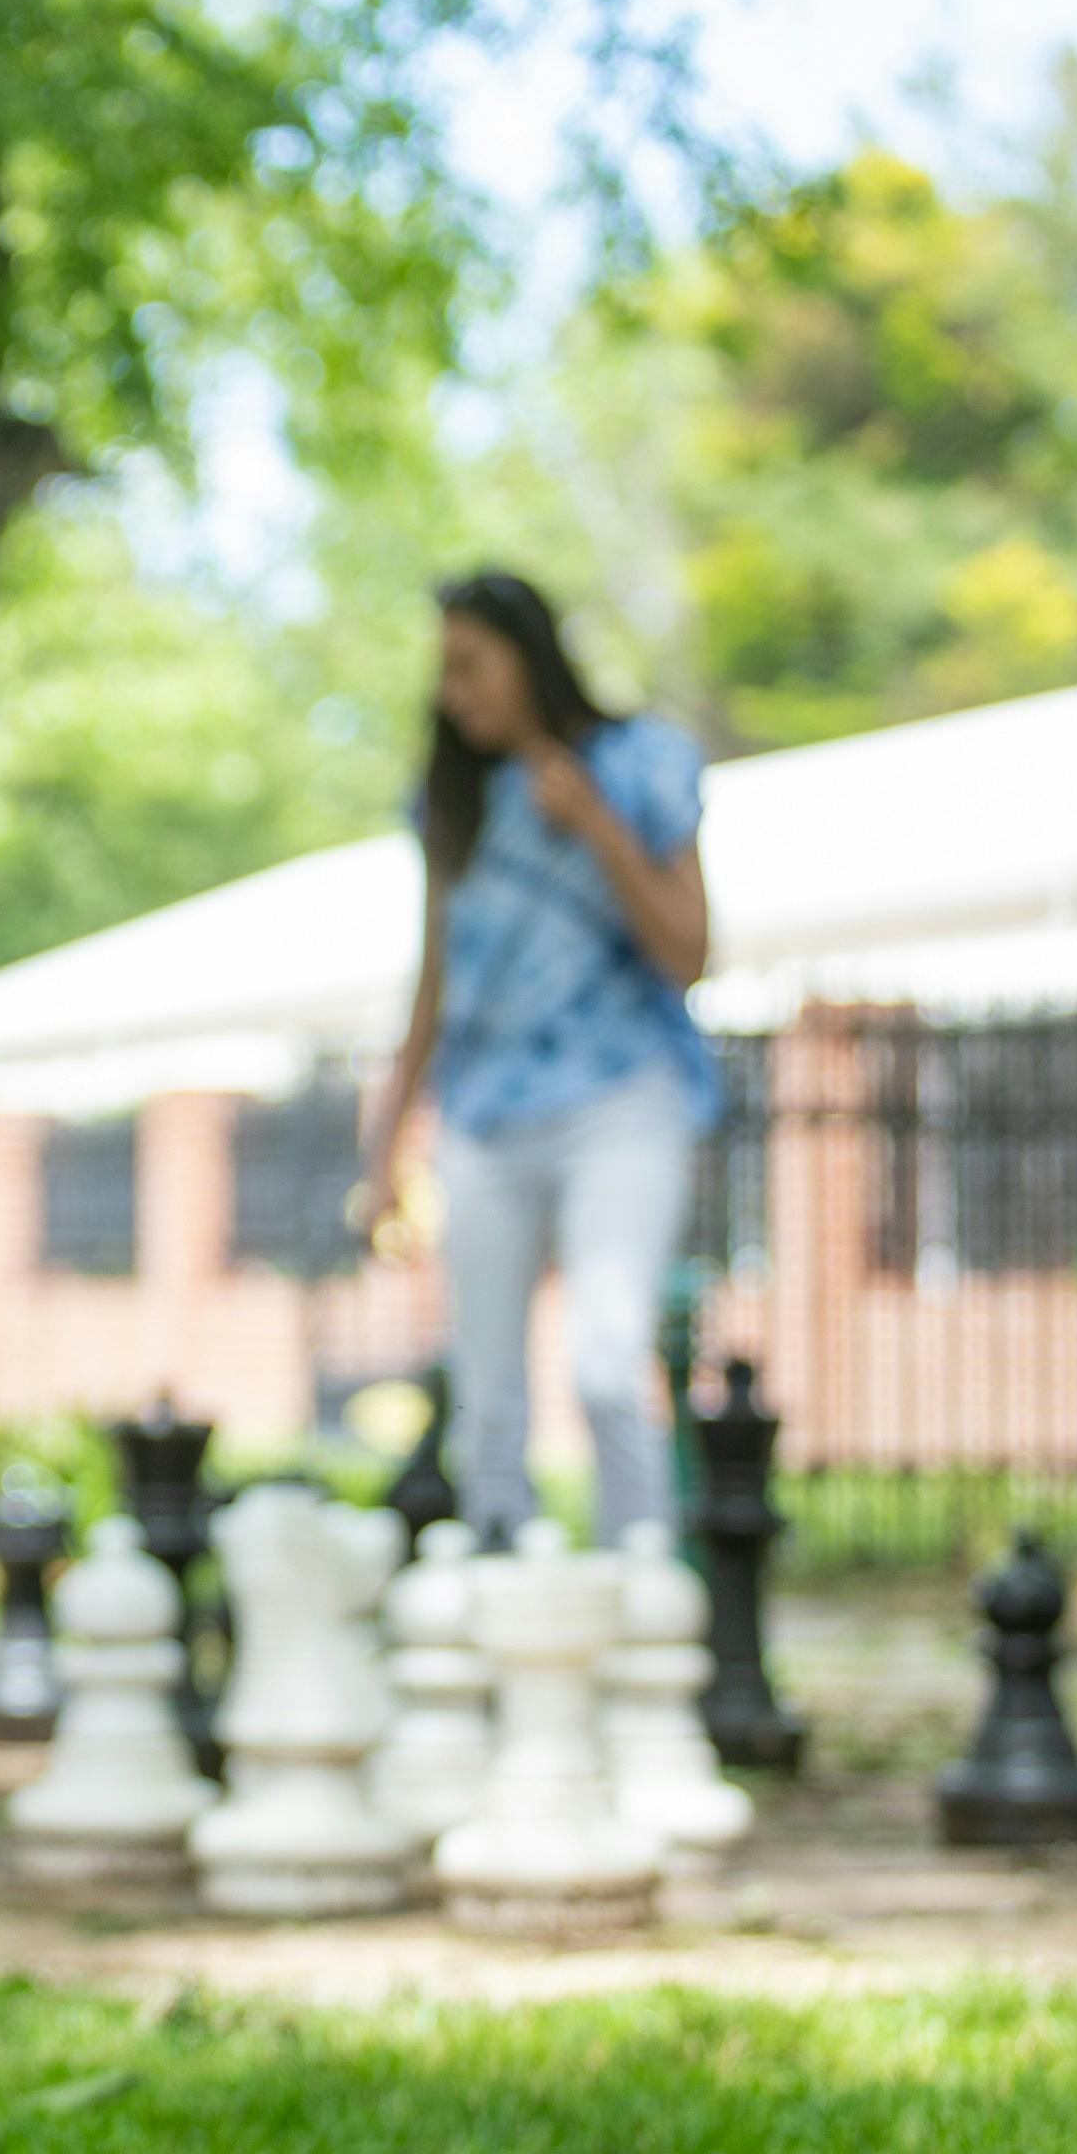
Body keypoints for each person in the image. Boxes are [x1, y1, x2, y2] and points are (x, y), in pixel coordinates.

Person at [354, 570, 716, 1543]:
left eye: (470, 665)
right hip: (483, 1117)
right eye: (444, 671)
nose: (452, 692)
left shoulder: (641, 763)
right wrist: (385, 1145)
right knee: (485, 1402)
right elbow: (432, 980)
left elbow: (688, 952)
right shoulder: (452, 803)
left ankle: (642, 1597)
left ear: (529, 654)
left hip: (619, 1101)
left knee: (605, 1364)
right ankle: (497, 1600)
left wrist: (596, 825)